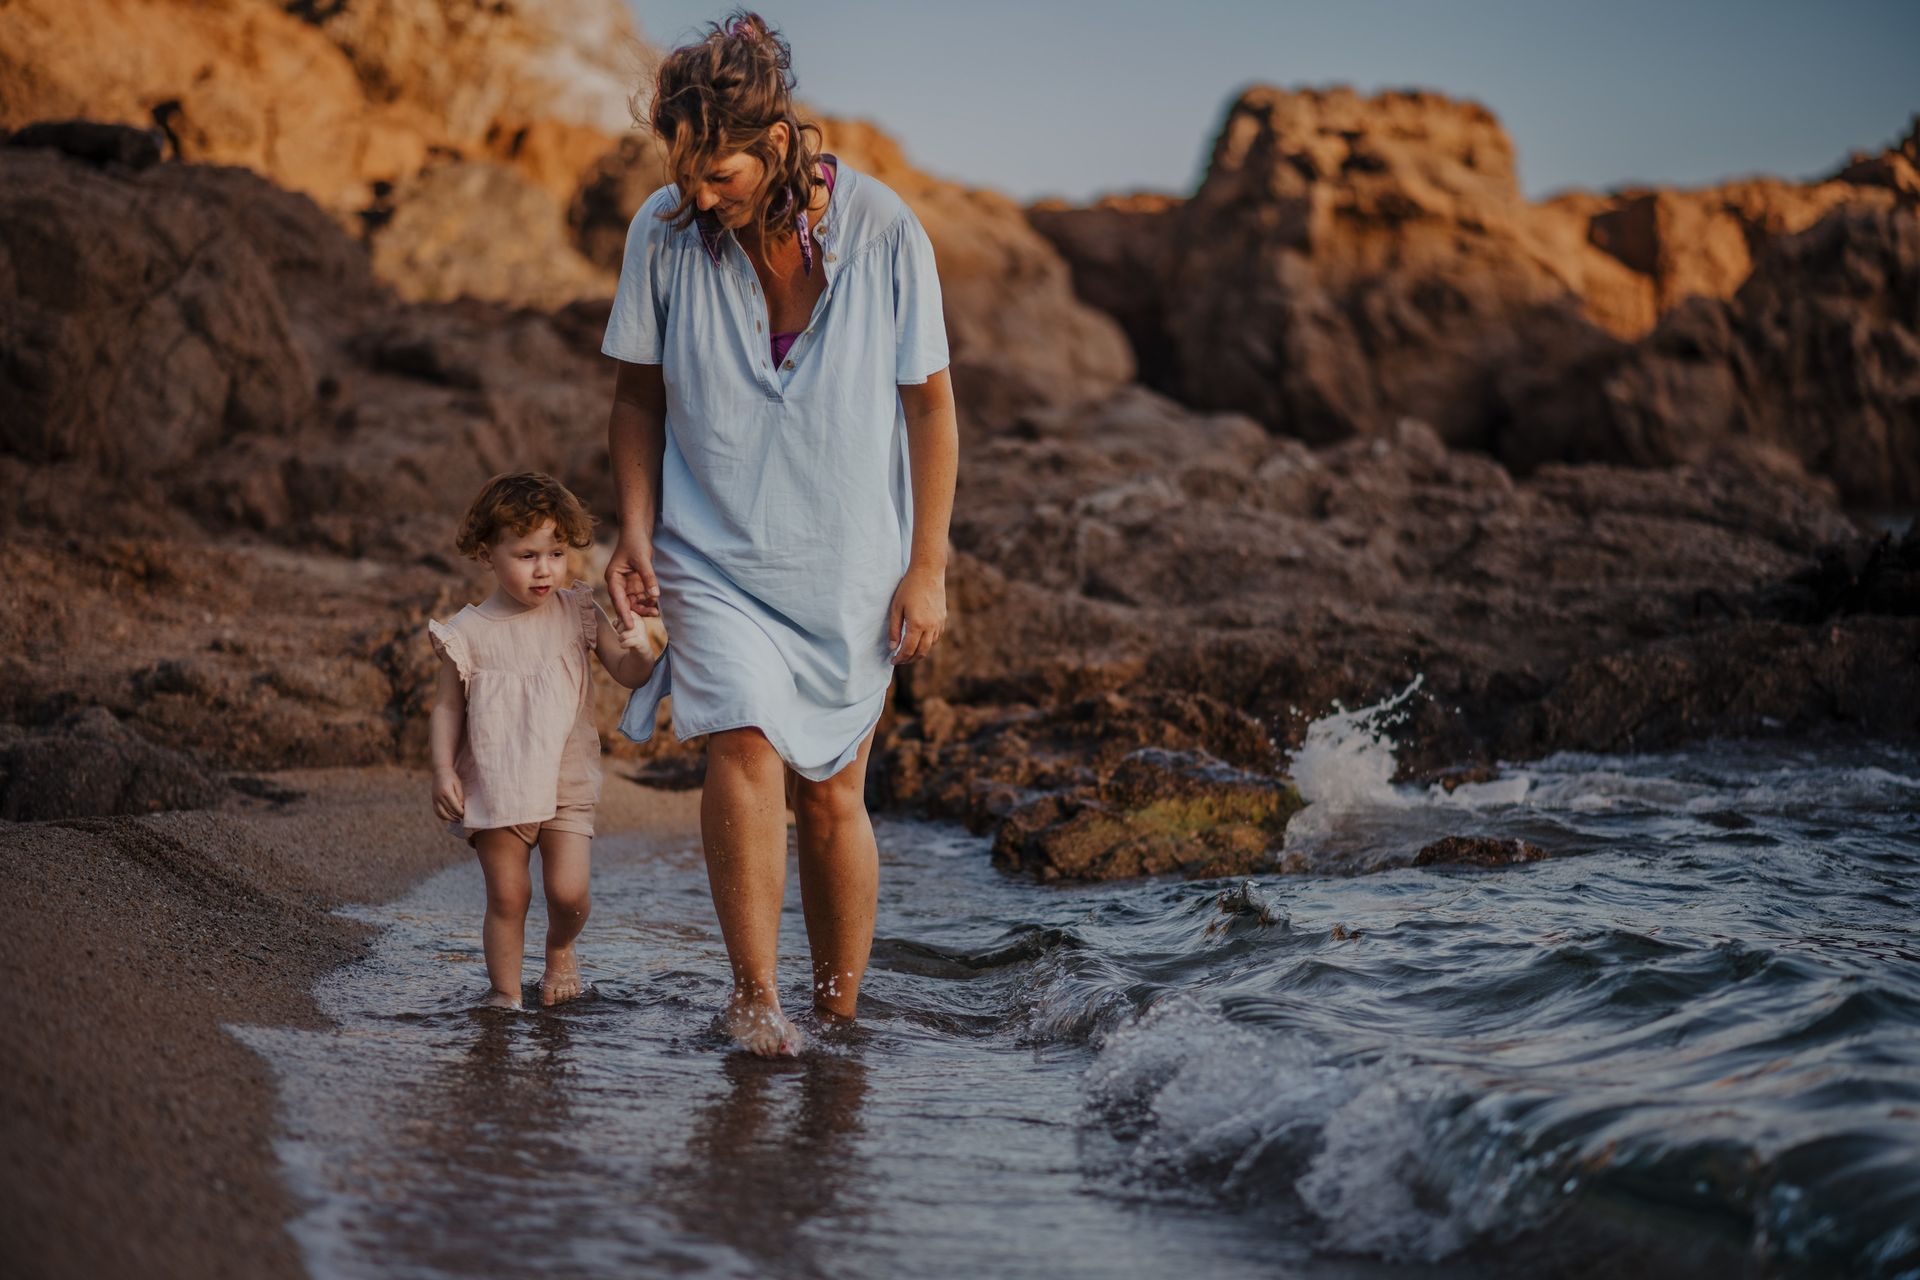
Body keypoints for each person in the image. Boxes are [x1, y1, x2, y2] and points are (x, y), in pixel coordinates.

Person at [600, 11, 959, 1056]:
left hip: (851, 558)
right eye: (685, 170)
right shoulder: (663, 234)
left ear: (776, 142)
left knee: (836, 791)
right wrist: (634, 529)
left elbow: (931, 407)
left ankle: (839, 1008)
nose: (698, 196)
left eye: (720, 174)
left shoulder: (885, 230)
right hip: (710, 547)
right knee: (743, 743)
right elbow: (637, 398)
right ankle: (757, 999)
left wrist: (926, 565)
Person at [428, 472, 658, 1009]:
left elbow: (628, 673)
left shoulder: (577, 609)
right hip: (495, 779)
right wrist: (442, 770)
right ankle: (504, 994)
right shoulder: (466, 633)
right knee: (509, 896)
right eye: (527, 554)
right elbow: (446, 707)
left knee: (568, 893)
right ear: (487, 554)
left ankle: (560, 949)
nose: (544, 569)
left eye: (556, 553)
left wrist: (641, 650)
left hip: (566, 777)